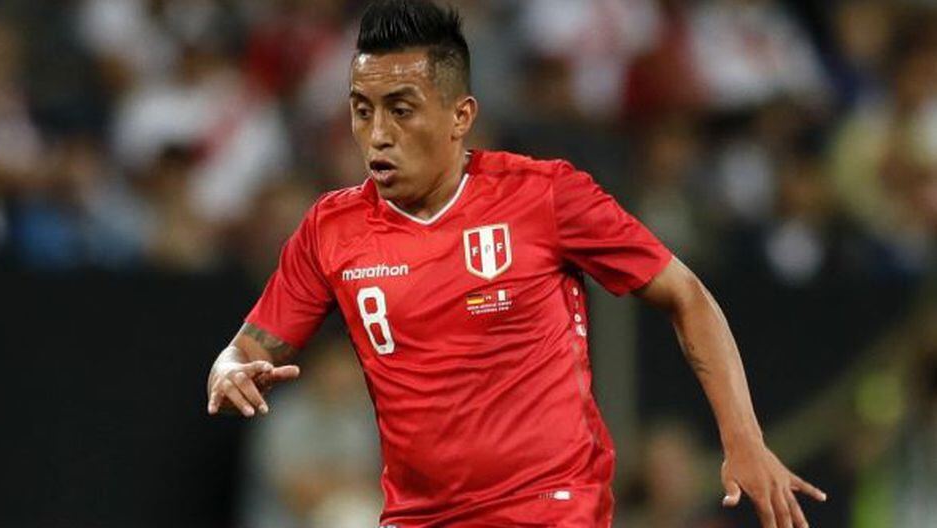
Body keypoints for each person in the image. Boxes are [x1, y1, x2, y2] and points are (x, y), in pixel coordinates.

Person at [206, 1, 827, 526]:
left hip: (549, 507)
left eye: (401, 108)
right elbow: (248, 347)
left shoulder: (544, 196)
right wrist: (228, 370)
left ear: (461, 116)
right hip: (419, 517)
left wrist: (743, 439)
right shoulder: (331, 229)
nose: (377, 134)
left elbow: (685, 294)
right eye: (361, 109)